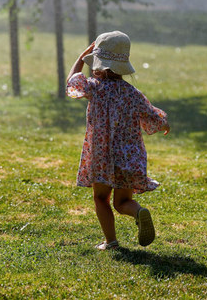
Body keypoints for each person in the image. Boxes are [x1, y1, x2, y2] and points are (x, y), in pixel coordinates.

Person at [66, 31, 170, 250]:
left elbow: (72, 82)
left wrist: (80, 57)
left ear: (97, 63)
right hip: (128, 158)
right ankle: (138, 212)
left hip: (102, 156)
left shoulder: (94, 88)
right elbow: (153, 115)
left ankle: (111, 241)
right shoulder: (132, 93)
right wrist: (164, 123)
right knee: (122, 202)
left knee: (101, 199)